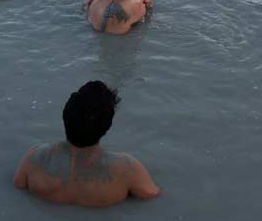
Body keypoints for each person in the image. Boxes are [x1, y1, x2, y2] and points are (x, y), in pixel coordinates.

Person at [12, 81, 161, 207]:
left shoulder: (32, 159)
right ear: (107, 127)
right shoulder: (127, 170)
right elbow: (153, 199)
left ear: (65, 115)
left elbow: (18, 188)